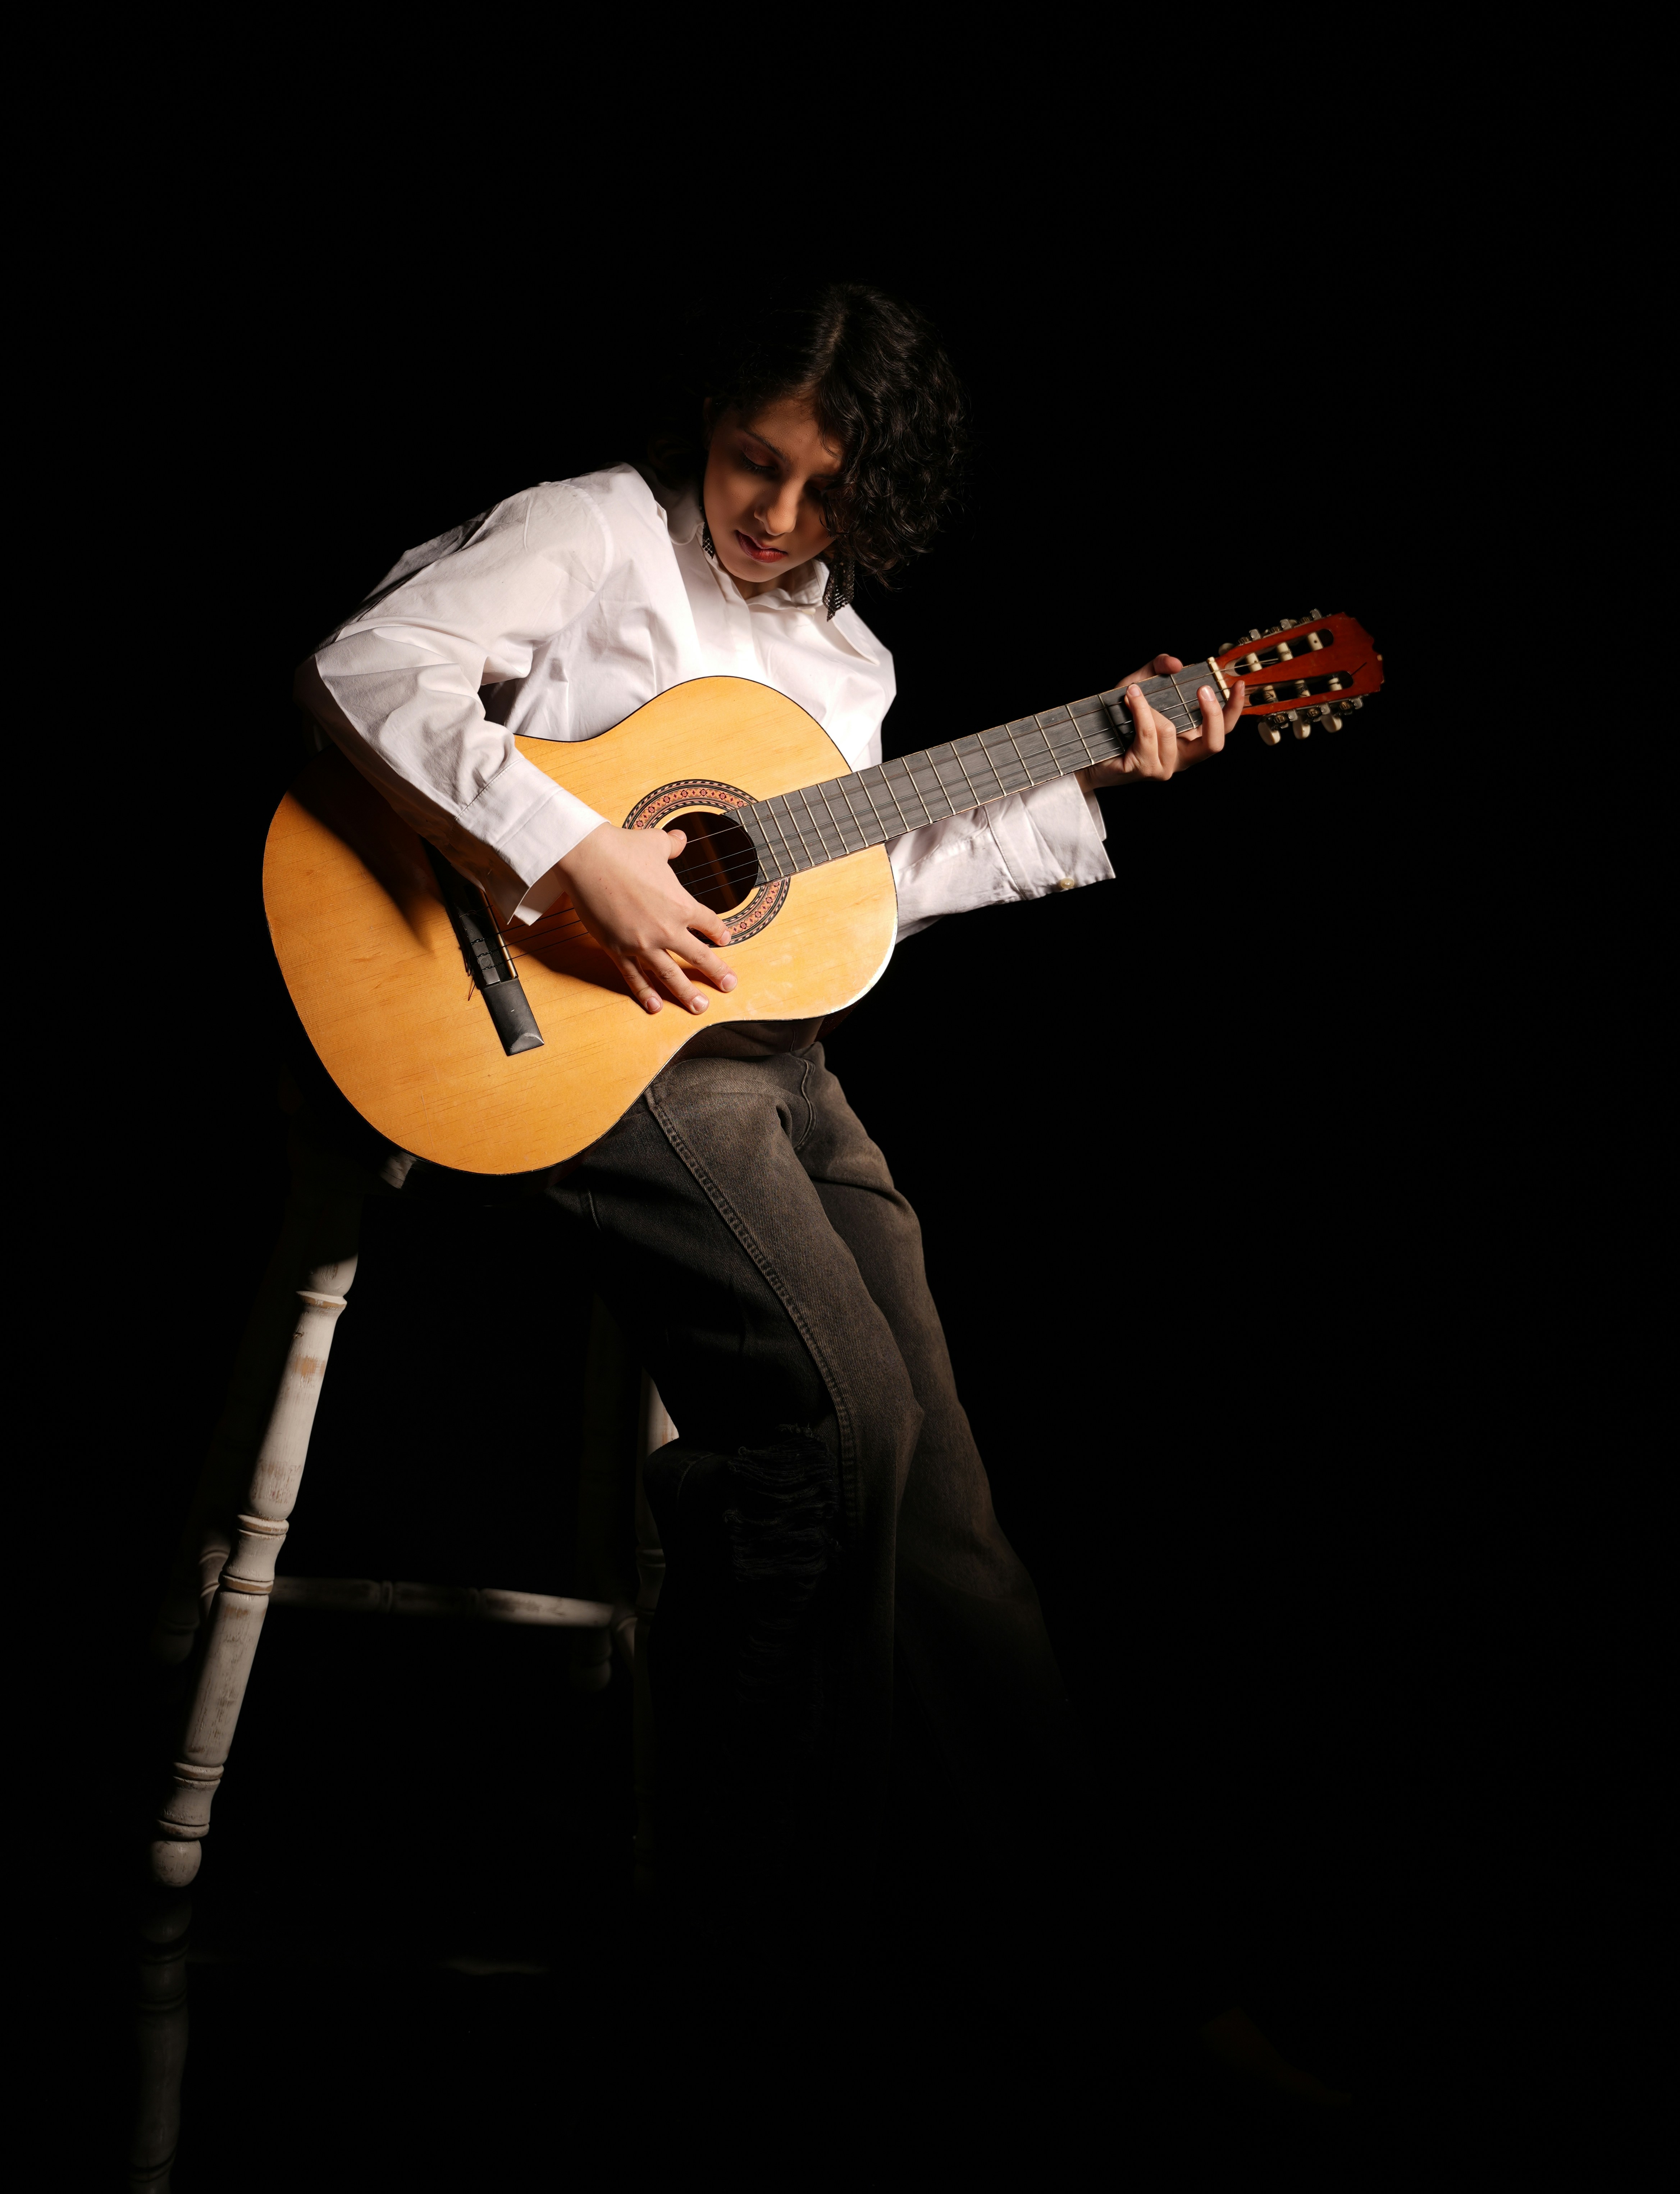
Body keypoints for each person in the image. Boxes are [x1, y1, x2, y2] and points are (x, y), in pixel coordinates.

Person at [293, 285, 1351, 2092]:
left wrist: (1106, 761)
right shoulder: (595, 533)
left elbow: (848, 895)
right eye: (751, 463)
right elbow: (365, 669)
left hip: (763, 1061)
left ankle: (1125, 1971)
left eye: (825, 491)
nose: (775, 515)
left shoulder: (847, 672)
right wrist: (577, 852)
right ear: (707, 424)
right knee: (837, 1430)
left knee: (947, 1509)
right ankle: (762, 1950)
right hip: (582, 1045)